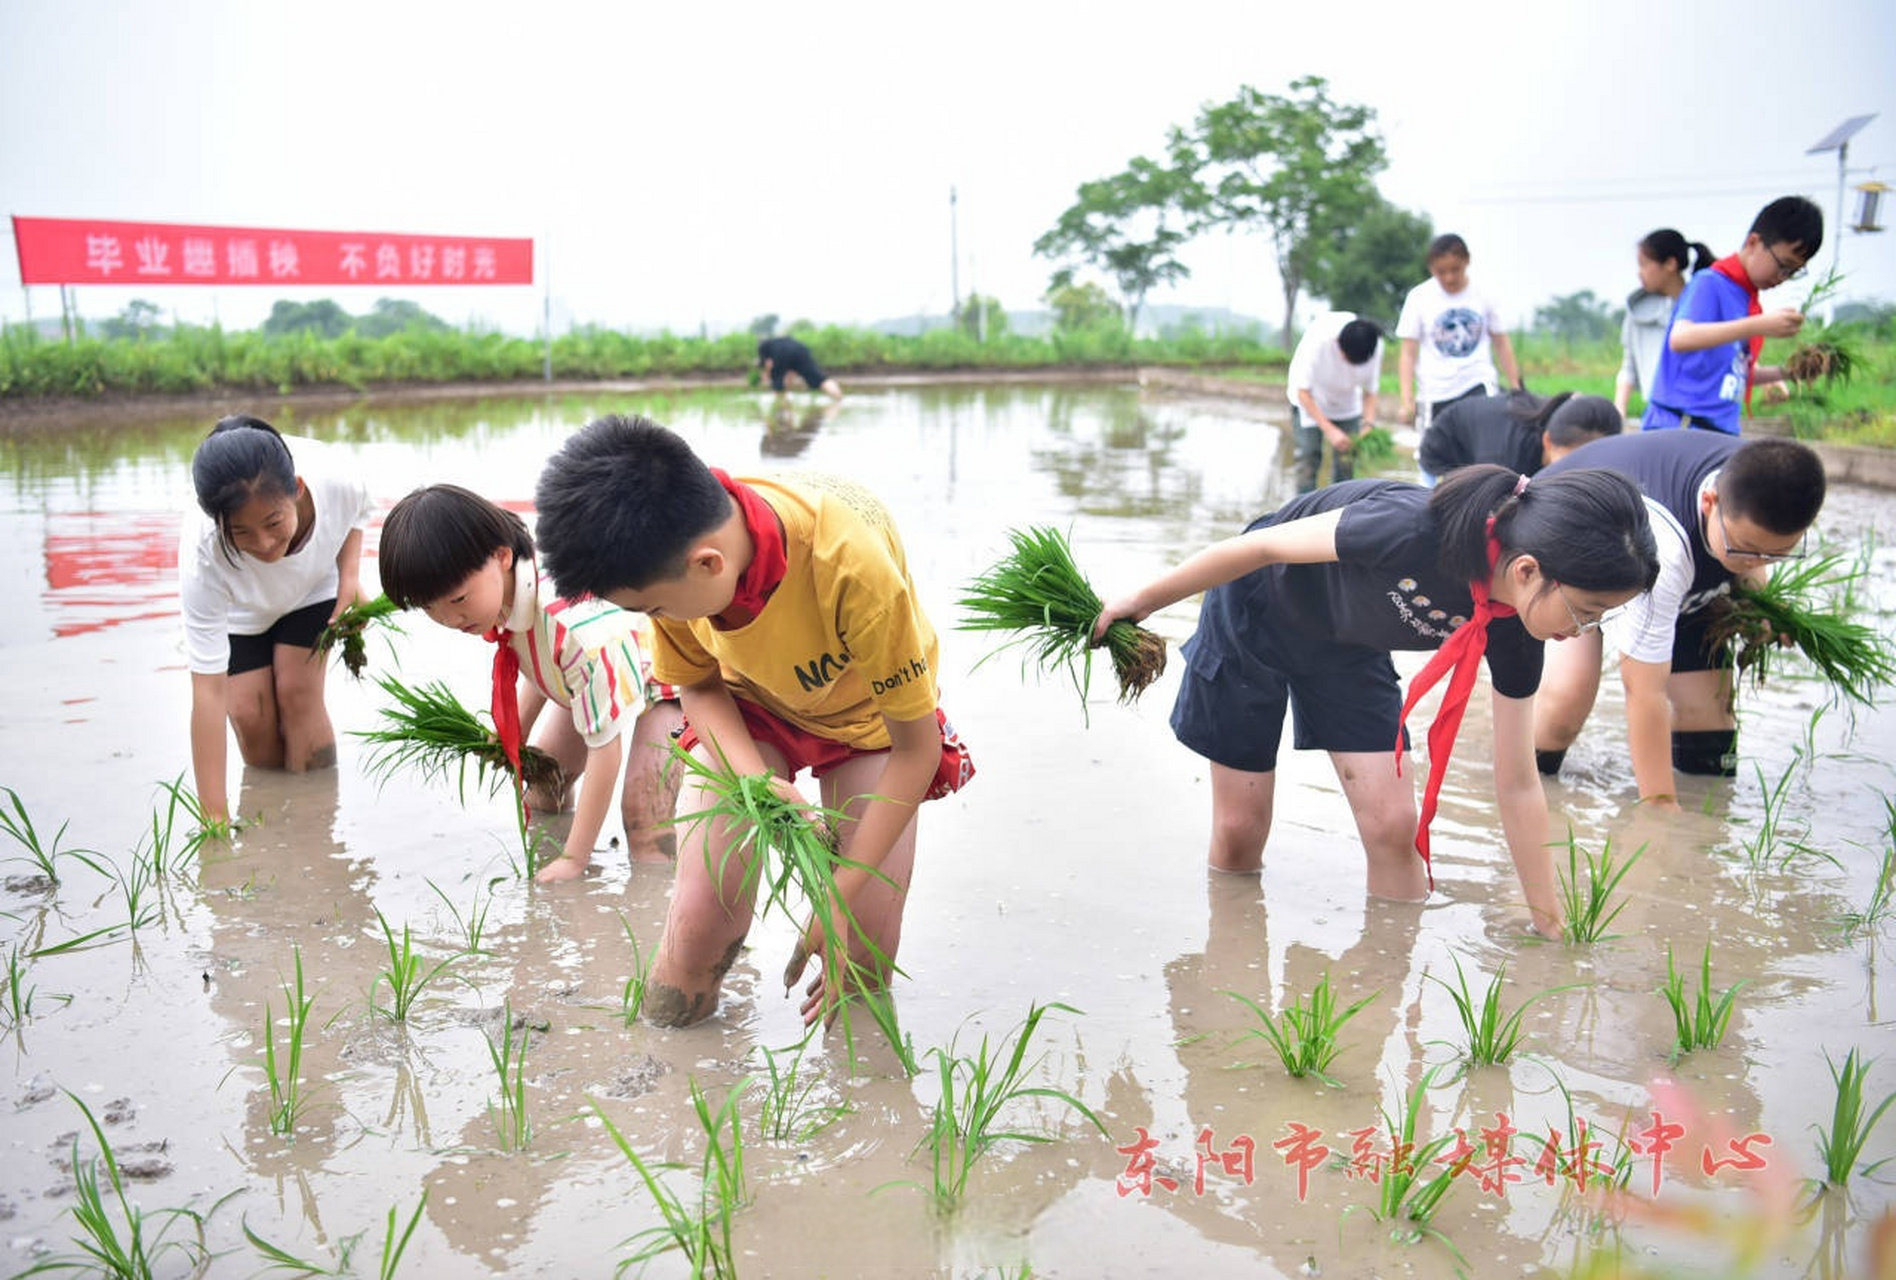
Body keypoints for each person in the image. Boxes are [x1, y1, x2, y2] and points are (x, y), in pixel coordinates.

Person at [531, 414, 974, 1026]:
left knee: (862, 961)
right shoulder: (671, 556)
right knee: (697, 930)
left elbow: (916, 750)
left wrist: (836, 896)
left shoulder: (852, 570)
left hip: (866, 717)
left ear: (709, 563)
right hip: (748, 703)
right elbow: (697, 684)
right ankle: (672, 1077)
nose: (653, 617)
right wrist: (755, 778)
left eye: (653, 608)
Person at [1093, 465, 1659, 939]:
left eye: (1601, 619)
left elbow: (1517, 781)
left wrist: (1549, 925)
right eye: (1586, 611)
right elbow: (1261, 546)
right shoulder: (1411, 528)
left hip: (1346, 646)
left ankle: (1386, 979)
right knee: (1242, 829)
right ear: (1529, 570)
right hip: (1256, 612)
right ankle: (1231, 963)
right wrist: (1143, 600)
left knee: (1394, 826)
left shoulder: (1518, 629)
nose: (1584, 631)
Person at [374, 484, 685, 883]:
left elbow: (604, 753)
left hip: (664, 680)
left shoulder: (572, 629)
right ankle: (553, 875)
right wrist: (513, 731)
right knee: (544, 785)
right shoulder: (507, 592)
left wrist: (576, 857)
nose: (450, 620)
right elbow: (542, 667)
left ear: (501, 556)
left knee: (645, 820)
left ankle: (653, 910)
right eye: (430, 610)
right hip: (589, 682)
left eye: (457, 600)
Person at [1533, 432, 1826, 806]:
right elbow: (1643, 690)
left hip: (1690, 562)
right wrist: (1659, 808)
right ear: (1710, 501)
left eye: (1776, 555)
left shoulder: (1773, 479)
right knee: (1566, 703)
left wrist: (1761, 605)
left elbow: (1752, 555)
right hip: (1580, 547)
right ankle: (1522, 786)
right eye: (1747, 549)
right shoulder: (1665, 550)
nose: (1757, 563)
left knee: (1710, 721)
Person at [180, 416, 375, 828]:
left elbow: (359, 508)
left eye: (273, 522)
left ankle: (316, 827)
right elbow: (208, 695)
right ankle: (271, 829)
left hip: (312, 586)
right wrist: (213, 822)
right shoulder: (202, 555)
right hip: (239, 609)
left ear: (298, 489)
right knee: (249, 715)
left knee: (298, 693)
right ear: (216, 524)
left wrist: (351, 579)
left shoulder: (333, 476)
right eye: (242, 533)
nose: (265, 544)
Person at [1642, 196, 1824, 434]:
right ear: (1753, 242)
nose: (1783, 277)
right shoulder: (1710, 283)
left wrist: (1789, 372)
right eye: (1783, 265)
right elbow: (1681, 338)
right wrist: (1758, 325)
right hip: (1682, 428)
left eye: (1793, 272)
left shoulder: (1746, 298)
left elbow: (1737, 372)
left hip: (1718, 431)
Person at [1396, 234, 1523, 444]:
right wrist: (1407, 400)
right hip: (1435, 389)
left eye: (1455, 269)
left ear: (1467, 261)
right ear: (1431, 268)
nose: (1449, 278)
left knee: (1484, 446)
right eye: (1441, 272)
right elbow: (1408, 353)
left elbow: (1501, 342)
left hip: (1477, 380)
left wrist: (1516, 387)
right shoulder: (1419, 297)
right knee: (1433, 452)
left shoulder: (1485, 293)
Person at [1615, 229, 1715, 418]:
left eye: (1644, 265)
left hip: (1701, 413)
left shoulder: (1703, 306)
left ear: (1670, 264)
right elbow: (1629, 366)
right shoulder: (1638, 311)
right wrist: (1619, 408)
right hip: (1659, 413)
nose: (1640, 273)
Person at [1285, 313, 1384, 494]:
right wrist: (1330, 430)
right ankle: (1304, 510)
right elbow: (1303, 393)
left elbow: (1371, 392)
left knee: (1347, 461)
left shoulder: (1374, 344)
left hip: (1347, 404)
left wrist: (1368, 423)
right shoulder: (1318, 341)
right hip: (1310, 400)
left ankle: (1339, 510)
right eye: (1348, 359)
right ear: (1338, 343)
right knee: (1309, 456)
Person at [1418, 390, 1622, 478]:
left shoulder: (1566, 421)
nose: (1577, 471)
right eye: (1571, 462)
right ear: (1548, 441)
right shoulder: (1507, 459)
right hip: (1444, 448)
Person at [757, 335, 844, 400]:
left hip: (781, 354)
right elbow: (791, 372)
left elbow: (769, 364)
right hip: (801, 350)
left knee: (778, 383)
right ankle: (838, 397)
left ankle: (780, 405)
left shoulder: (763, 346)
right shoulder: (783, 342)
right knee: (819, 379)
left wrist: (768, 376)